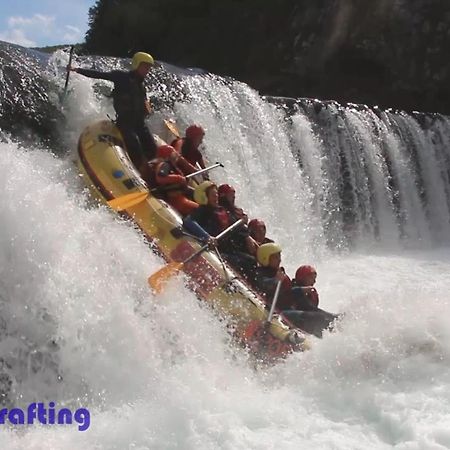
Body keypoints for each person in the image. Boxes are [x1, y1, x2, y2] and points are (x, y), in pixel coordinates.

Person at [69, 52, 158, 171]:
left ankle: (155, 170)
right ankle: (140, 169)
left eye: (149, 67)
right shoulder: (121, 77)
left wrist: (146, 106)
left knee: (152, 147)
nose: (147, 70)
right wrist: (76, 69)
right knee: (134, 144)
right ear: (137, 64)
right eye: (145, 66)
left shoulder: (141, 86)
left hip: (139, 123)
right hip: (125, 123)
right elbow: (99, 75)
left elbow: (144, 102)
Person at [183, 181, 257, 278]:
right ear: (204, 197)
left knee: (251, 260)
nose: (216, 197)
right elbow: (188, 221)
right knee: (243, 262)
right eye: (213, 195)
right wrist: (207, 237)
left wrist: (245, 231)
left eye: (217, 194)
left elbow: (235, 225)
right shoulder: (203, 210)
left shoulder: (222, 210)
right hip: (218, 250)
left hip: (229, 248)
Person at [146, 144, 198, 216]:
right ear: (168, 155)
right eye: (174, 153)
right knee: (198, 210)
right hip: (176, 200)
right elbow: (160, 178)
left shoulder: (169, 166)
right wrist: (179, 178)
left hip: (178, 198)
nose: (176, 155)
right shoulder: (164, 165)